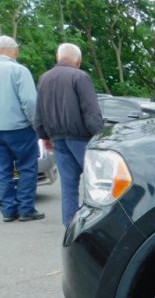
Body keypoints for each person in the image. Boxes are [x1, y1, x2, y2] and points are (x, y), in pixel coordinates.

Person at [35, 43, 104, 227]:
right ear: (78, 60)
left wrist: (44, 137)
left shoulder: (44, 79)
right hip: (81, 138)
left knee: (68, 185)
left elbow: (39, 113)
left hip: (57, 139)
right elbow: (91, 111)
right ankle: (97, 225)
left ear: (58, 58)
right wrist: (101, 136)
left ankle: (70, 225)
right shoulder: (80, 77)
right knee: (97, 183)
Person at [0, 35, 44, 222]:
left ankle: (8, 211)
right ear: (15, 51)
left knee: (3, 170)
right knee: (27, 167)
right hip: (19, 128)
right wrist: (35, 125)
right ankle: (26, 209)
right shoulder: (19, 70)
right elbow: (29, 101)